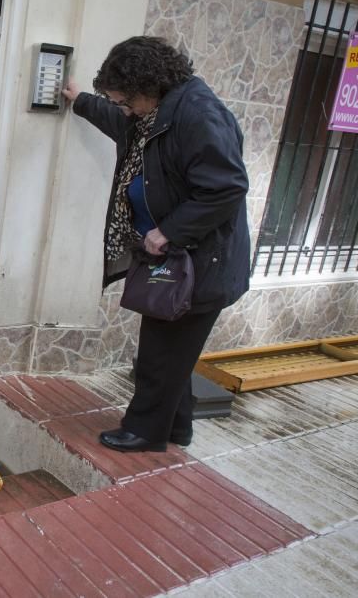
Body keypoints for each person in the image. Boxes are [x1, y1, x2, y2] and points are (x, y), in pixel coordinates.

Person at [61, 36, 249, 453]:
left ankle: (145, 431)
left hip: (199, 263)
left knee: (159, 357)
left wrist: (169, 232)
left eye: (126, 101)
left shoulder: (198, 116)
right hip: (175, 259)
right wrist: (80, 100)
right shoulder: (154, 114)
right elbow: (117, 120)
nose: (123, 109)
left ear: (148, 87)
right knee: (172, 355)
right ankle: (176, 429)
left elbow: (227, 188)